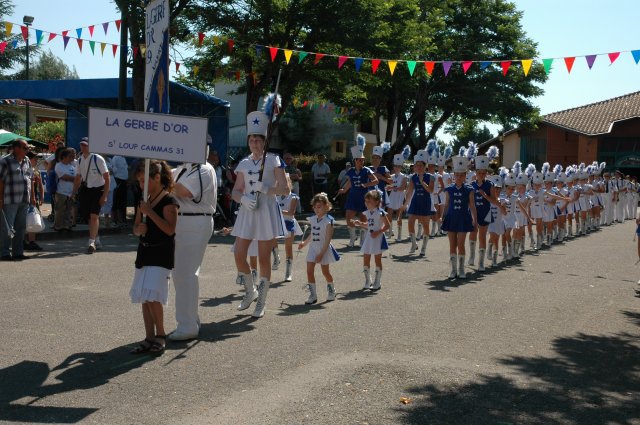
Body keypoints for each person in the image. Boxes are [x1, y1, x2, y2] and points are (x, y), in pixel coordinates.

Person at [231, 110, 290, 318]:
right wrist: (243, 198)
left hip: (265, 210)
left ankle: (262, 301)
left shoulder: (274, 160)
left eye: (258, 140)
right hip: (248, 211)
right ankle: (250, 291)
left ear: (264, 141)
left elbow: (285, 189)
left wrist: (265, 188)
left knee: (264, 257)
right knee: (239, 253)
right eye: (252, 140)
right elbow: (235, 191)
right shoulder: (245, 163)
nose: (255, 143)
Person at [129, 160, 179, 355]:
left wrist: (150, 213)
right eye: (139, 182)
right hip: (145, 251)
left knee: (153, 296)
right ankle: (148, 337)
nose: (141, 186)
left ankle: (161, 335)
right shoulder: (144, 200)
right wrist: (137, 229)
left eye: (144, 181)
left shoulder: (169, 201)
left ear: (157, 178)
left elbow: (169, 229)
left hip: (161, 253)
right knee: (144, 296)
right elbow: (136, 227)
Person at [169, 150, 217, 340]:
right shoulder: (182, 169)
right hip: (182, 221)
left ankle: (187, 326)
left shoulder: (203, 168)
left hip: (195, 221)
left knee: (186, 274)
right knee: (180, 273)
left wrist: (163, 181)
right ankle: (190, 319)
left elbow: (186, 192)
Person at [297, 193, 339, 304]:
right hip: (313, 248)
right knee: (309, 271)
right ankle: (313, 295)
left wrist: (321, 254)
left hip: (323, 249)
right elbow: (313, 234)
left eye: (319, 207)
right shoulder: (313, 219)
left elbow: (327, 240)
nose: (316, 209)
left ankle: (331, 290)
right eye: (314, 207)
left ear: (326, 206)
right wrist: (304, 243)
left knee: (325, 272)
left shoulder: (329, 221)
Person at [335, 140, 378, 247]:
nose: (362, 162)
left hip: (364, 197)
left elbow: (376, 180)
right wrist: (344, 190)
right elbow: (350, 182)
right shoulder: (351, 171)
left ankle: (362, 240)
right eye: (359, 160)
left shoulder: (367, 170)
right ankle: (352, 238)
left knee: (363, 218)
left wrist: (366, 185)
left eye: (363, 160)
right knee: (348, 217)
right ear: (355, 160)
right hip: (352, 196)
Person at [0, 139, 36, 261]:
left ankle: (18, 252)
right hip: (9, 199)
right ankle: (4, 253)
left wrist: (33, 197)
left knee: (20, 227)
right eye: (25, 148)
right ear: (16, 149)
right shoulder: (5, 161)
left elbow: (30, 179)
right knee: (7, 228)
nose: (28, 150)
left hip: (24, 199)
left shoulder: (27, 161)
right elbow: (0, 181)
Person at [441, 155, 477, 279]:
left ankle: (461, 269)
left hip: (463, 219)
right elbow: (446, 205)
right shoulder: (449, 189)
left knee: (461, 244)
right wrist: (443, 217)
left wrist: (475, 219)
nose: (459, 177)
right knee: (452, 244)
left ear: (465, 175)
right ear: (454, 175)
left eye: (462, 175)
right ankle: (453, 269)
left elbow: (472, 206)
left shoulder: (469, 189)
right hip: (451, 218)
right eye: (457, 174)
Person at [73, 137, 110, 254]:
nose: (83, 147)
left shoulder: (97, 158)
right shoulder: (79, 160)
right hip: (86, 190)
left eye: (85, 145)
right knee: (89, 217)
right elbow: (78, 178)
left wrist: (104, 195)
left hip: (98, 189)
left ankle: (91, 241)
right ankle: (96, 239)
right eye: (82, 145)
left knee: (94, 216)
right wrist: (73, 192)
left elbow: (107, 177)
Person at [353, 190, 390, 290]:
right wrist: (360, 223)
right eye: (366, 201)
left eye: (369, 201)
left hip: (378, 238)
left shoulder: (381, 213)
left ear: (377, 202)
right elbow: (369, 225)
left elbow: (387, 226)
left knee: (377, 259)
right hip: (369, 238)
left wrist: (378, 232)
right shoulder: (367, 213)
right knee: (366, 258)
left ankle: (377, 282)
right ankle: (368, 281)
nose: (366, 203)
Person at [401, 149, 434, 256]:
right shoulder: (412, 177)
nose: (418, 167)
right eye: (417, 165)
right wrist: (405, 204)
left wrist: (421, 182)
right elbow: (410, 191)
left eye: (420, 165)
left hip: (425, 202)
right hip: (415, 201)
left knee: (425, 226)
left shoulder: (431, 177)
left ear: (425, 166)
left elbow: (430, 190)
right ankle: (414, 244)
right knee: (410, 222)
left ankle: (424, 247)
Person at [276, 176, 303, 282]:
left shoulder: (293, 197)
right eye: (280, 183)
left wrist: (277, 210)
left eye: (285, 182)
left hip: (289, 223)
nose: (283, 185)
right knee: (270, 243)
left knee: (288, 247)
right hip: (277, 223)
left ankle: (288, 272)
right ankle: (276, 257)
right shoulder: (274, 196)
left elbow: (291, 212)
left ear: (289, 183)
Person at [24, 151, 44, 251]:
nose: (36, 161)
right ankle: (23, 241)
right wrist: (32, 198)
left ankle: (32, 241)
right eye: (35, 159)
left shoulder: (36, 170)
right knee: (24, 220)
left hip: (33, 198)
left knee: (33, 220)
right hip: (27, 198)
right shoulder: (26, 170)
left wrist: (42, 196)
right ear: (29, 159)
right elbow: (30, 185)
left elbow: (40, 185)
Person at [53, 148, 76, 232]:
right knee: (60, 210)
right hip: (61, 192)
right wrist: (75, 179)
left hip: (71, 192)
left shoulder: (72, 166)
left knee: (68, 210)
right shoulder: (58, 165)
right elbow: (64, 177)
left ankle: (67, 226)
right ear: (64, 157)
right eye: (70, 156)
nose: (72, 158)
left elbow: (76, 178)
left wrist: (74, 179)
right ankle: (58, 226)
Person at [387, 154, 407, 242]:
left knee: (399, 216)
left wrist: (392, 188)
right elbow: (388, 185)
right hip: (392, 196)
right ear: (394, 167)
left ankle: (399, 235)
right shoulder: (390, 176)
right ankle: (390, 231)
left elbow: (402, 188)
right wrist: (387, 188)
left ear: (401, 167)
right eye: (396, 166)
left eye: (399, 166)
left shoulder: (404, 177)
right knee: (389, 214)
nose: (397, 167)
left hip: (399, 197)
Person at [110, 154, 129, 227]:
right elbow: (114, 171)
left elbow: (125, 169)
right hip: (118, 181)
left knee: (123, 201)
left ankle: (122, 220)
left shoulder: (123, 158)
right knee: (116, 201)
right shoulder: (115, 158)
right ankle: (114, 220)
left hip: (124, 182)